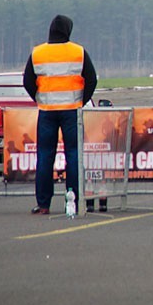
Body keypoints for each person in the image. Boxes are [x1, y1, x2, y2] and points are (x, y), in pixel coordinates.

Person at [23, 14, 97, 215]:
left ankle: (43, 204)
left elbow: (27, 81)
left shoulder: (38, 52)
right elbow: (91, 79)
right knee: (73, 155)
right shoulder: (78, 52)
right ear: (68, 30)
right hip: (72, 110)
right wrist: (81, 100)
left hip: (47, 111)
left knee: (45, 156)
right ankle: (73, 201)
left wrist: (40, 99)